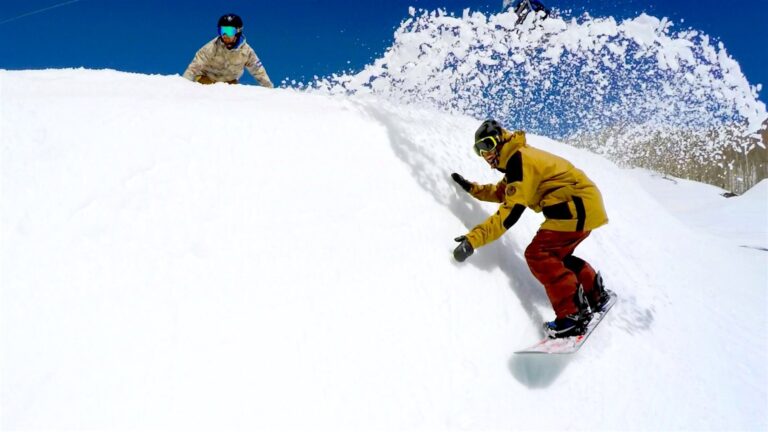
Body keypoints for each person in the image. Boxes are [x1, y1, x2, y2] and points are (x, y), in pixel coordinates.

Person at [451, 119, 610, 339]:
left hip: (575, 207)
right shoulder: (516, 157)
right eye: (478, 150)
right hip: (584, 205)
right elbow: (502, 192)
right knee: (556, 256)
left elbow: (509, 214)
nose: (485, 155)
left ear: (498, 140)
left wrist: (473, 240)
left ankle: (572, 316)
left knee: (538, 254)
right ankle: (595, 294)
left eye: (487, 145)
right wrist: (472, 189)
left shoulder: (519, 162)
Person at [183, 13, 274, 87]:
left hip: (229, 84)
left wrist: (270, 90)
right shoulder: (211, 48)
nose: (225, 35)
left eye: (229, 31)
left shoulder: (247, 52)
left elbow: (259, 71)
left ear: (238, 31)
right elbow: (193, 68)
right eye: (222, 31)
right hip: (206, 80)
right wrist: (182, 86)